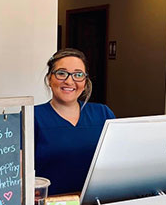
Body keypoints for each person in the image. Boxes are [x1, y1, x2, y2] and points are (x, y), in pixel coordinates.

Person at [35, 48, 115, 196]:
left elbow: (118, 160)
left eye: (78, 75)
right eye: (61, 73)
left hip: (97, 203)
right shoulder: (33, 116)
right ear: (49, 79)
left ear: (84, 82)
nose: (69, 81)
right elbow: (17, 172)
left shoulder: (103, 114)